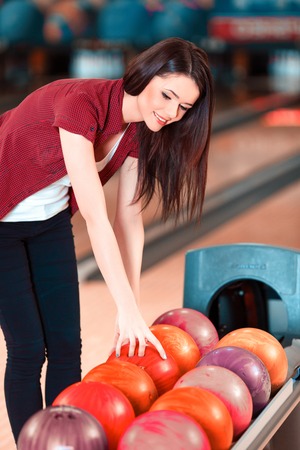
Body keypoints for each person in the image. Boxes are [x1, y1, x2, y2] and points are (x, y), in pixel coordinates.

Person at [0, 37, 214, 443]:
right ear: (146, 75)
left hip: (48, 222)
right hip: (1, 222)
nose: (171, 113)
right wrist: (126, 307)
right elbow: (97, 218)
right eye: (167, 96)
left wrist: (128, 309)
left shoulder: (139, 131)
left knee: (66, 346)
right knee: (28, 350)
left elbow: (128, 220)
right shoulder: (82, 104)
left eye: (183, 108)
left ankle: (68, 441)